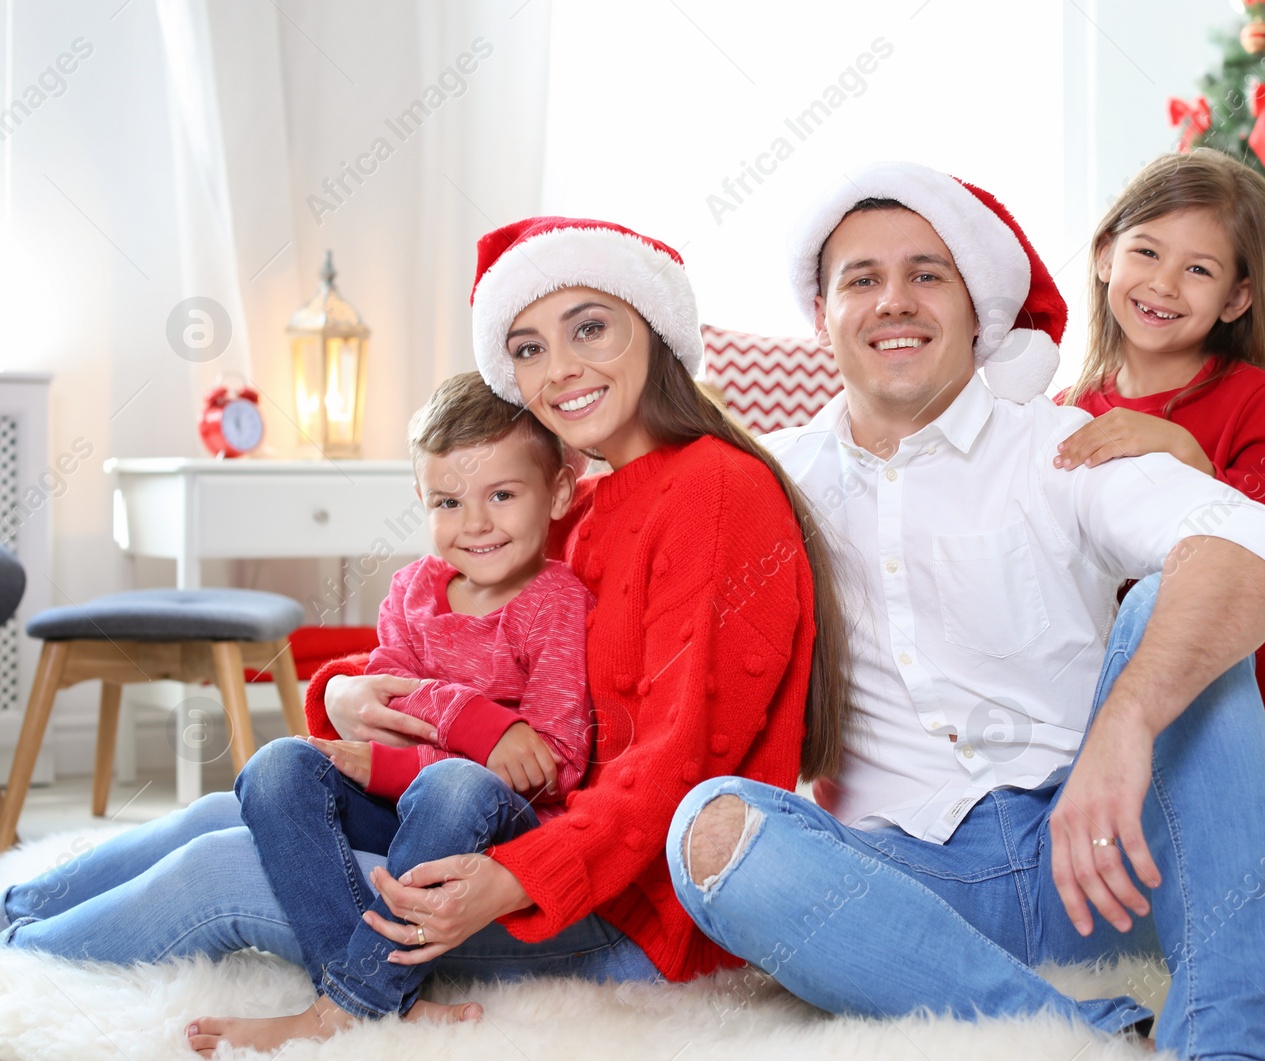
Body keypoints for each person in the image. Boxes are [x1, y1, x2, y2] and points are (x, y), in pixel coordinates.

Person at [1, 218, 852, 1058]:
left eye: (589, 327)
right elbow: (445, 640)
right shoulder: (580, 507)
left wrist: (516, 878)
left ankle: (30, 959)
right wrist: (341, 691)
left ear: (654, 329)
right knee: (228, 808)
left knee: (224, 867)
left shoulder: (713, 492)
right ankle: (14, 908)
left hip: (621, 905)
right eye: (526, 347)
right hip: (514, 828)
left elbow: (681, 766)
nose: (558, 368)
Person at [666, 161, 1265, 1061]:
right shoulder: (771, 483)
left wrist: (1126, 722)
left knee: (1174, 599)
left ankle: (1229, 1043)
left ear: (976, 309)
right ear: (823, 315)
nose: (895, 302)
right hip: (913, 882)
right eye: (862, 280)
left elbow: (1251, 548)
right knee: (714, 829)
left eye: (927, 275)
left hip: (1109, 864)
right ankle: (1108, 1036)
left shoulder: (1063, 444)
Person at [192, 370, 594, 1045]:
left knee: (455, 780)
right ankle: (367, 995)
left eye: (502, 494)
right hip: (400, 805)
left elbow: (548, 765)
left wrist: (451, 739)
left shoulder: (556, 602)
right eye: (447, 501)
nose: (475, 524)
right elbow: (385, 706)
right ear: (421, 500)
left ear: (556, 493)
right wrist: (468, 724)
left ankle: (344, 1004)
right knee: (276, 765)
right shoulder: (412, 591)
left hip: (489, 827)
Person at [1053, 149, 1265, 938]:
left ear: (1236, 297)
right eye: (1147, 251)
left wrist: (1181, 452)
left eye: (1198, 270)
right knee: (1181, 928)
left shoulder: (1264, 405)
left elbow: (1257, 552)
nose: (1162, 284)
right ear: (1108, 251)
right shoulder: (1068, 414)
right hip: (1135, 721)